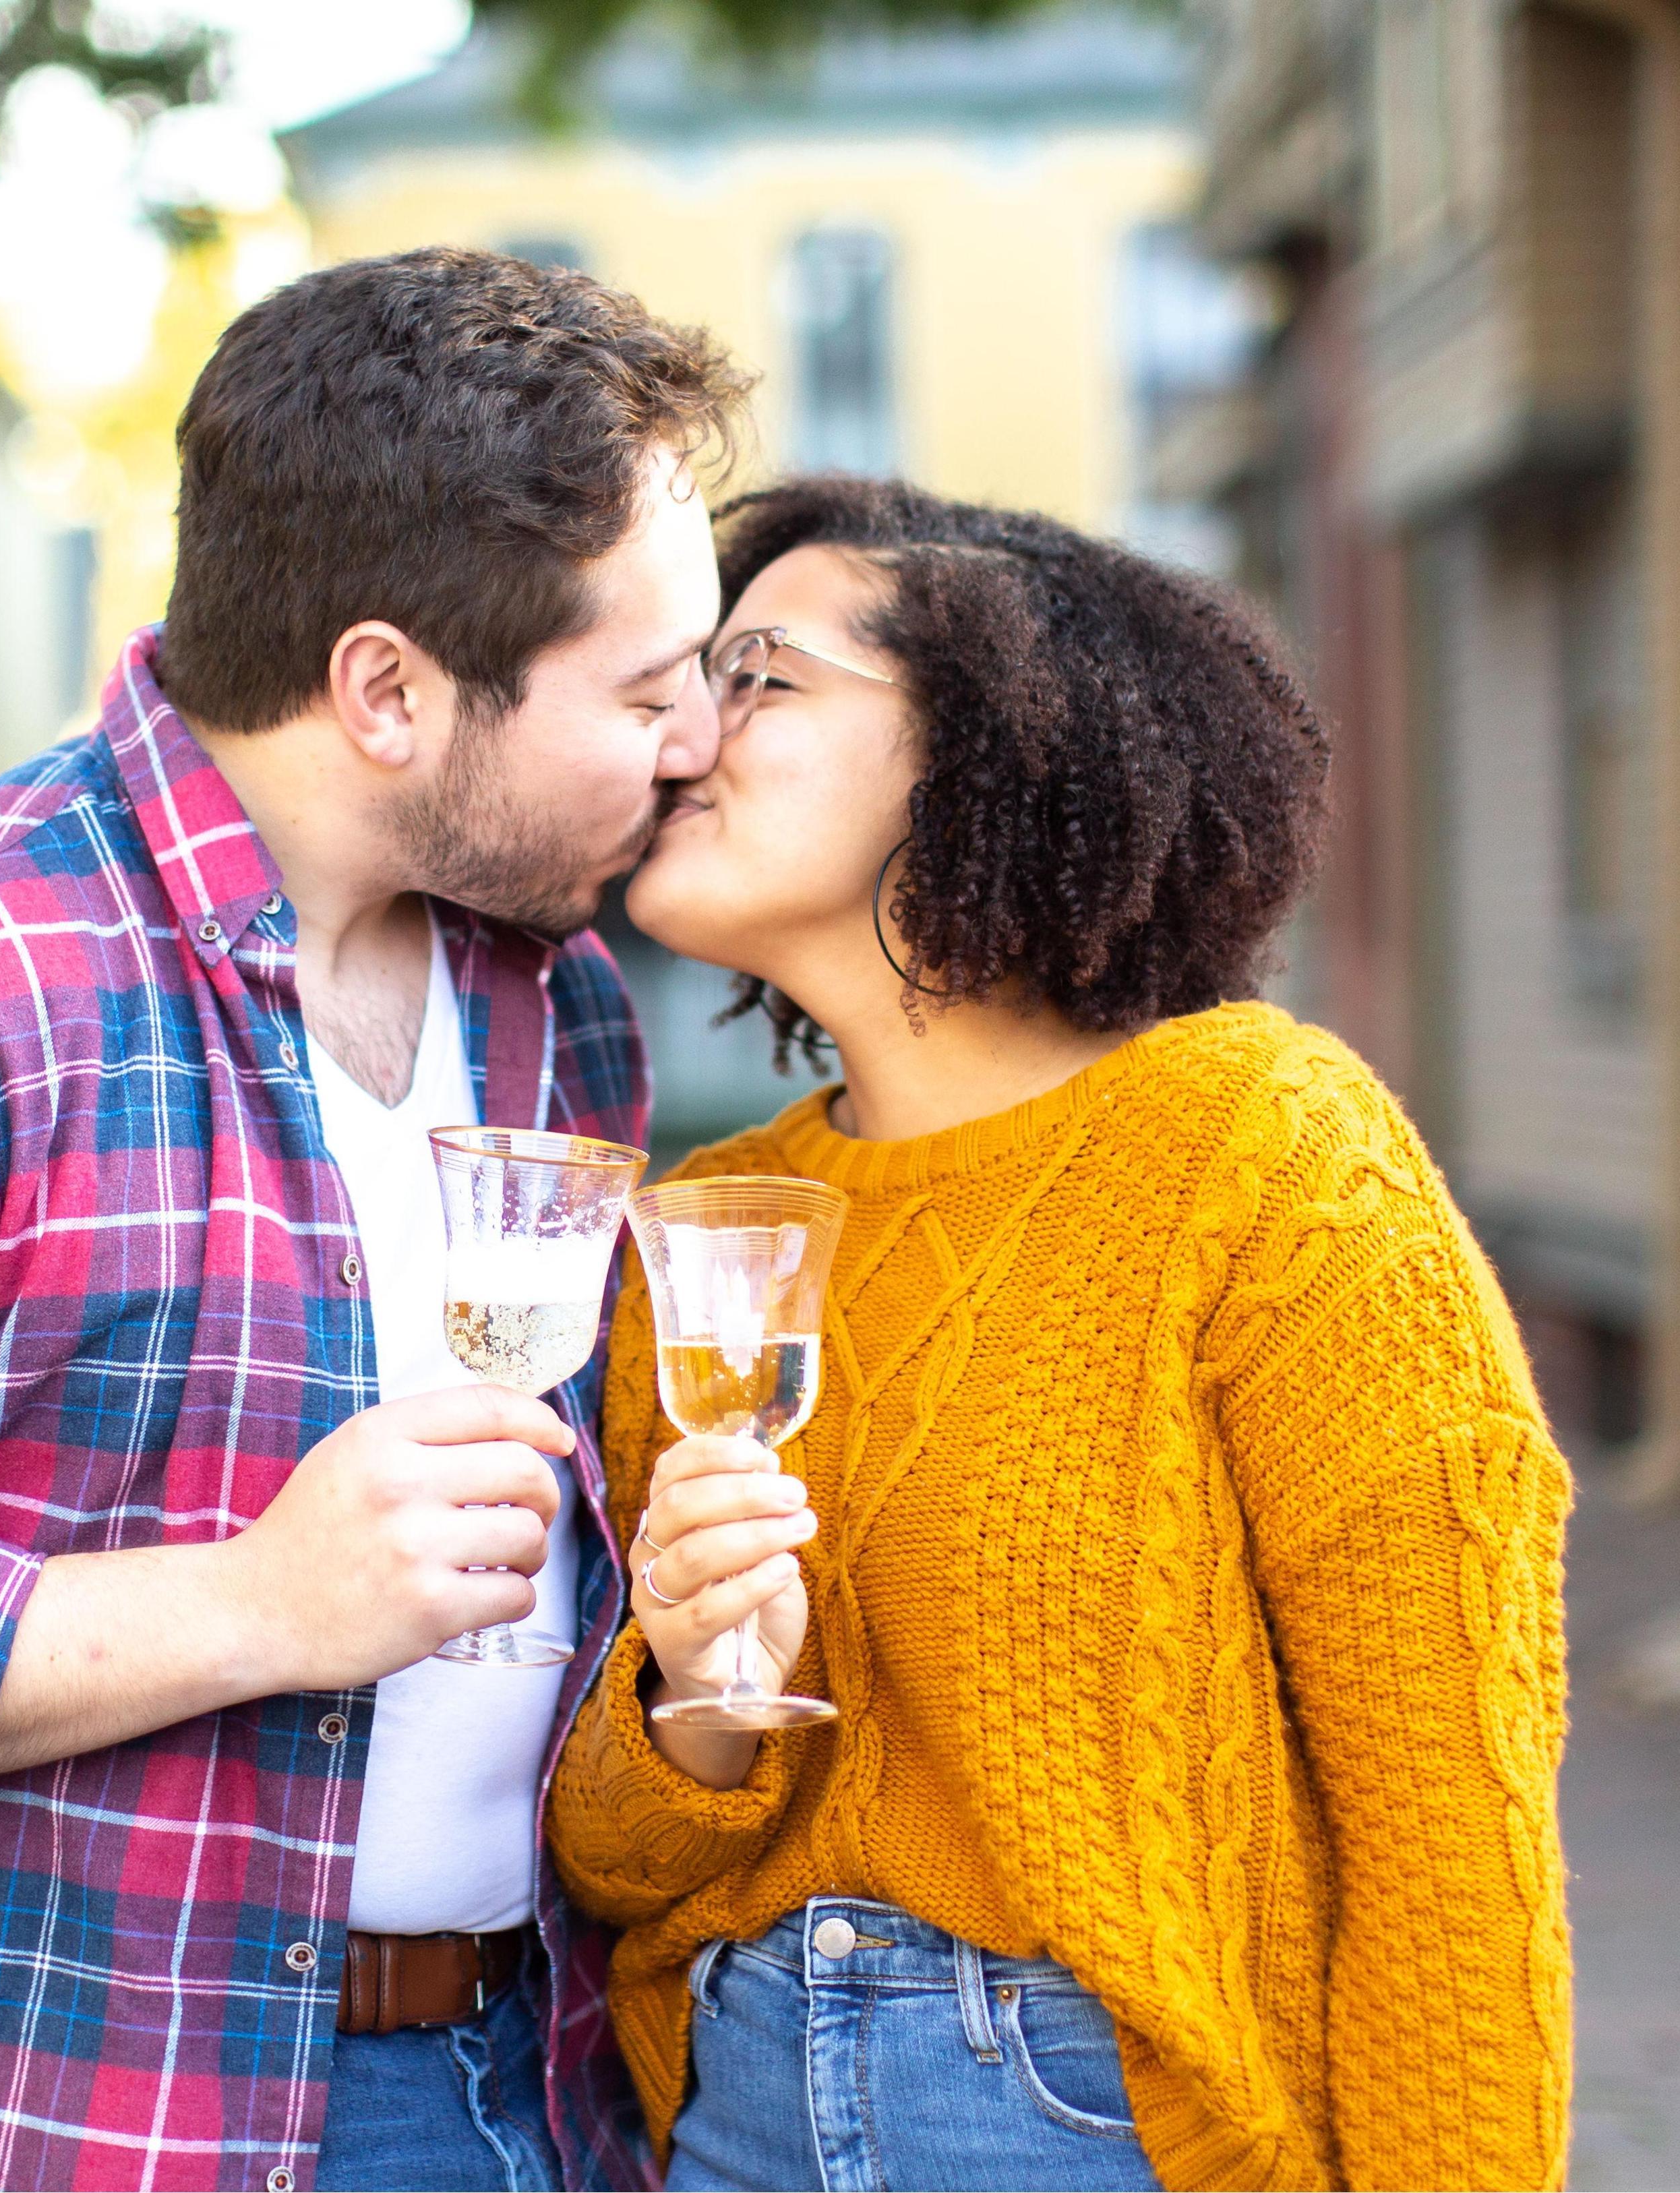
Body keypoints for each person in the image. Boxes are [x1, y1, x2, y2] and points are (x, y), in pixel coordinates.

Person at [0, 247, 746, 2193]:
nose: (693, 740)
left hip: (515, 2093)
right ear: (387, 690)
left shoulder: (552, 1005)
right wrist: (251, 1605)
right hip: (41, 2128)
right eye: (646, 685)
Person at [547, 477, 1573, 2193]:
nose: (680, 736)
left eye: (763, 675)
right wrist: (695, 1695)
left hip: (1093, 2121)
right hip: (733, 2108)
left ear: (989, 744)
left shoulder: (1261, 1145)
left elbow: (1447, 1829)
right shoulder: (708, 1221)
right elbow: (612, 1855)